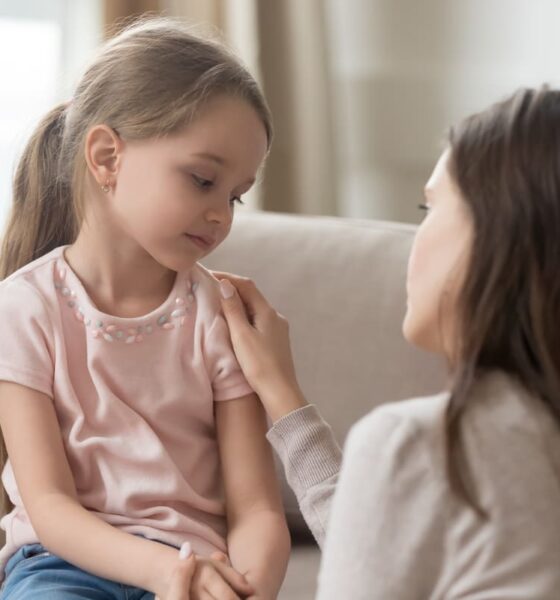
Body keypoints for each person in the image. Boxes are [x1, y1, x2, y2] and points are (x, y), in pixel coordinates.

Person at [215, 87, 560, 599]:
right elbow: (382, 544)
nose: (415, 240)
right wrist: (282, 394)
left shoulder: (421, 446)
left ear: (499, 234)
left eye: (430, 207)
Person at [0, 17, 290, 600]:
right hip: (61, 566)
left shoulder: (219, 314)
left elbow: (257, 506)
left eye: (235, 195)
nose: (222, 215)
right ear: (107, 157)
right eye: (203, 179)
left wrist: (249, 587)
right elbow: (50, 507)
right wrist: (164, 573)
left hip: (200, 568)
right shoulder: (23, 309)